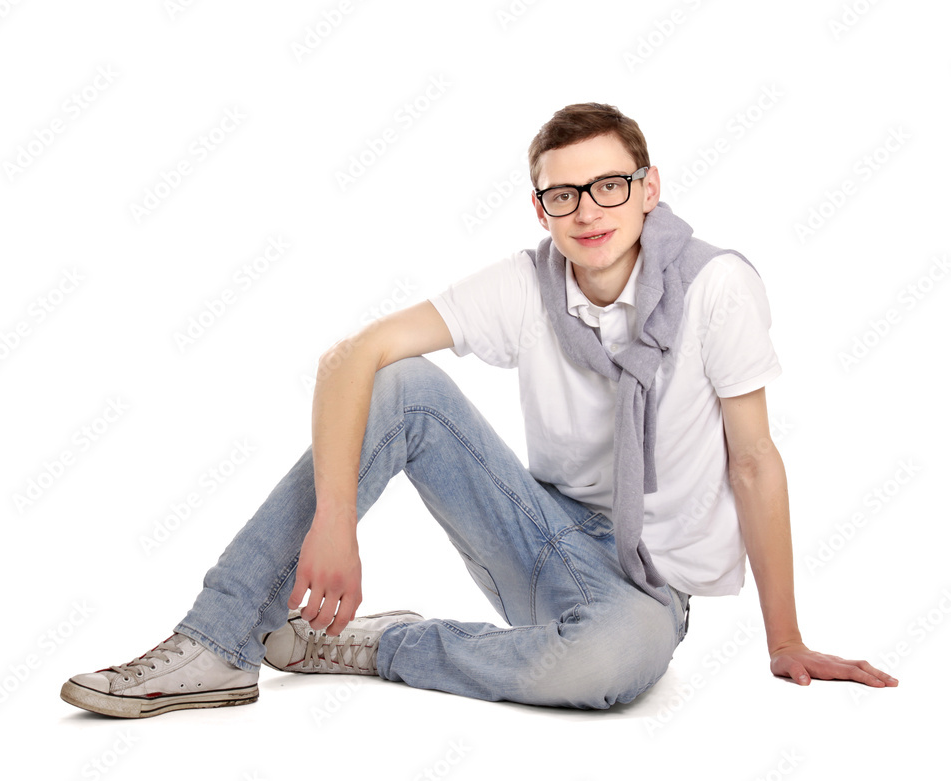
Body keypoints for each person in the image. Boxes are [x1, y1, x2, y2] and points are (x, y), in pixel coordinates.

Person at [61, 102, 897, 718]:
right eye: (563, 194)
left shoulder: (718, 288)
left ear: (649, 189)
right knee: (400, 382)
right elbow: (349, 356)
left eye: (608, 185)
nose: (588, 211)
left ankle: (373, 644)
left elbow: (753, 460)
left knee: (607, 666)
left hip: (647, 592)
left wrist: (785, 640)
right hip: (540, 538)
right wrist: (337, 517)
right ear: (541, 209)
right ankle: (215, 639)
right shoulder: (528, 284)